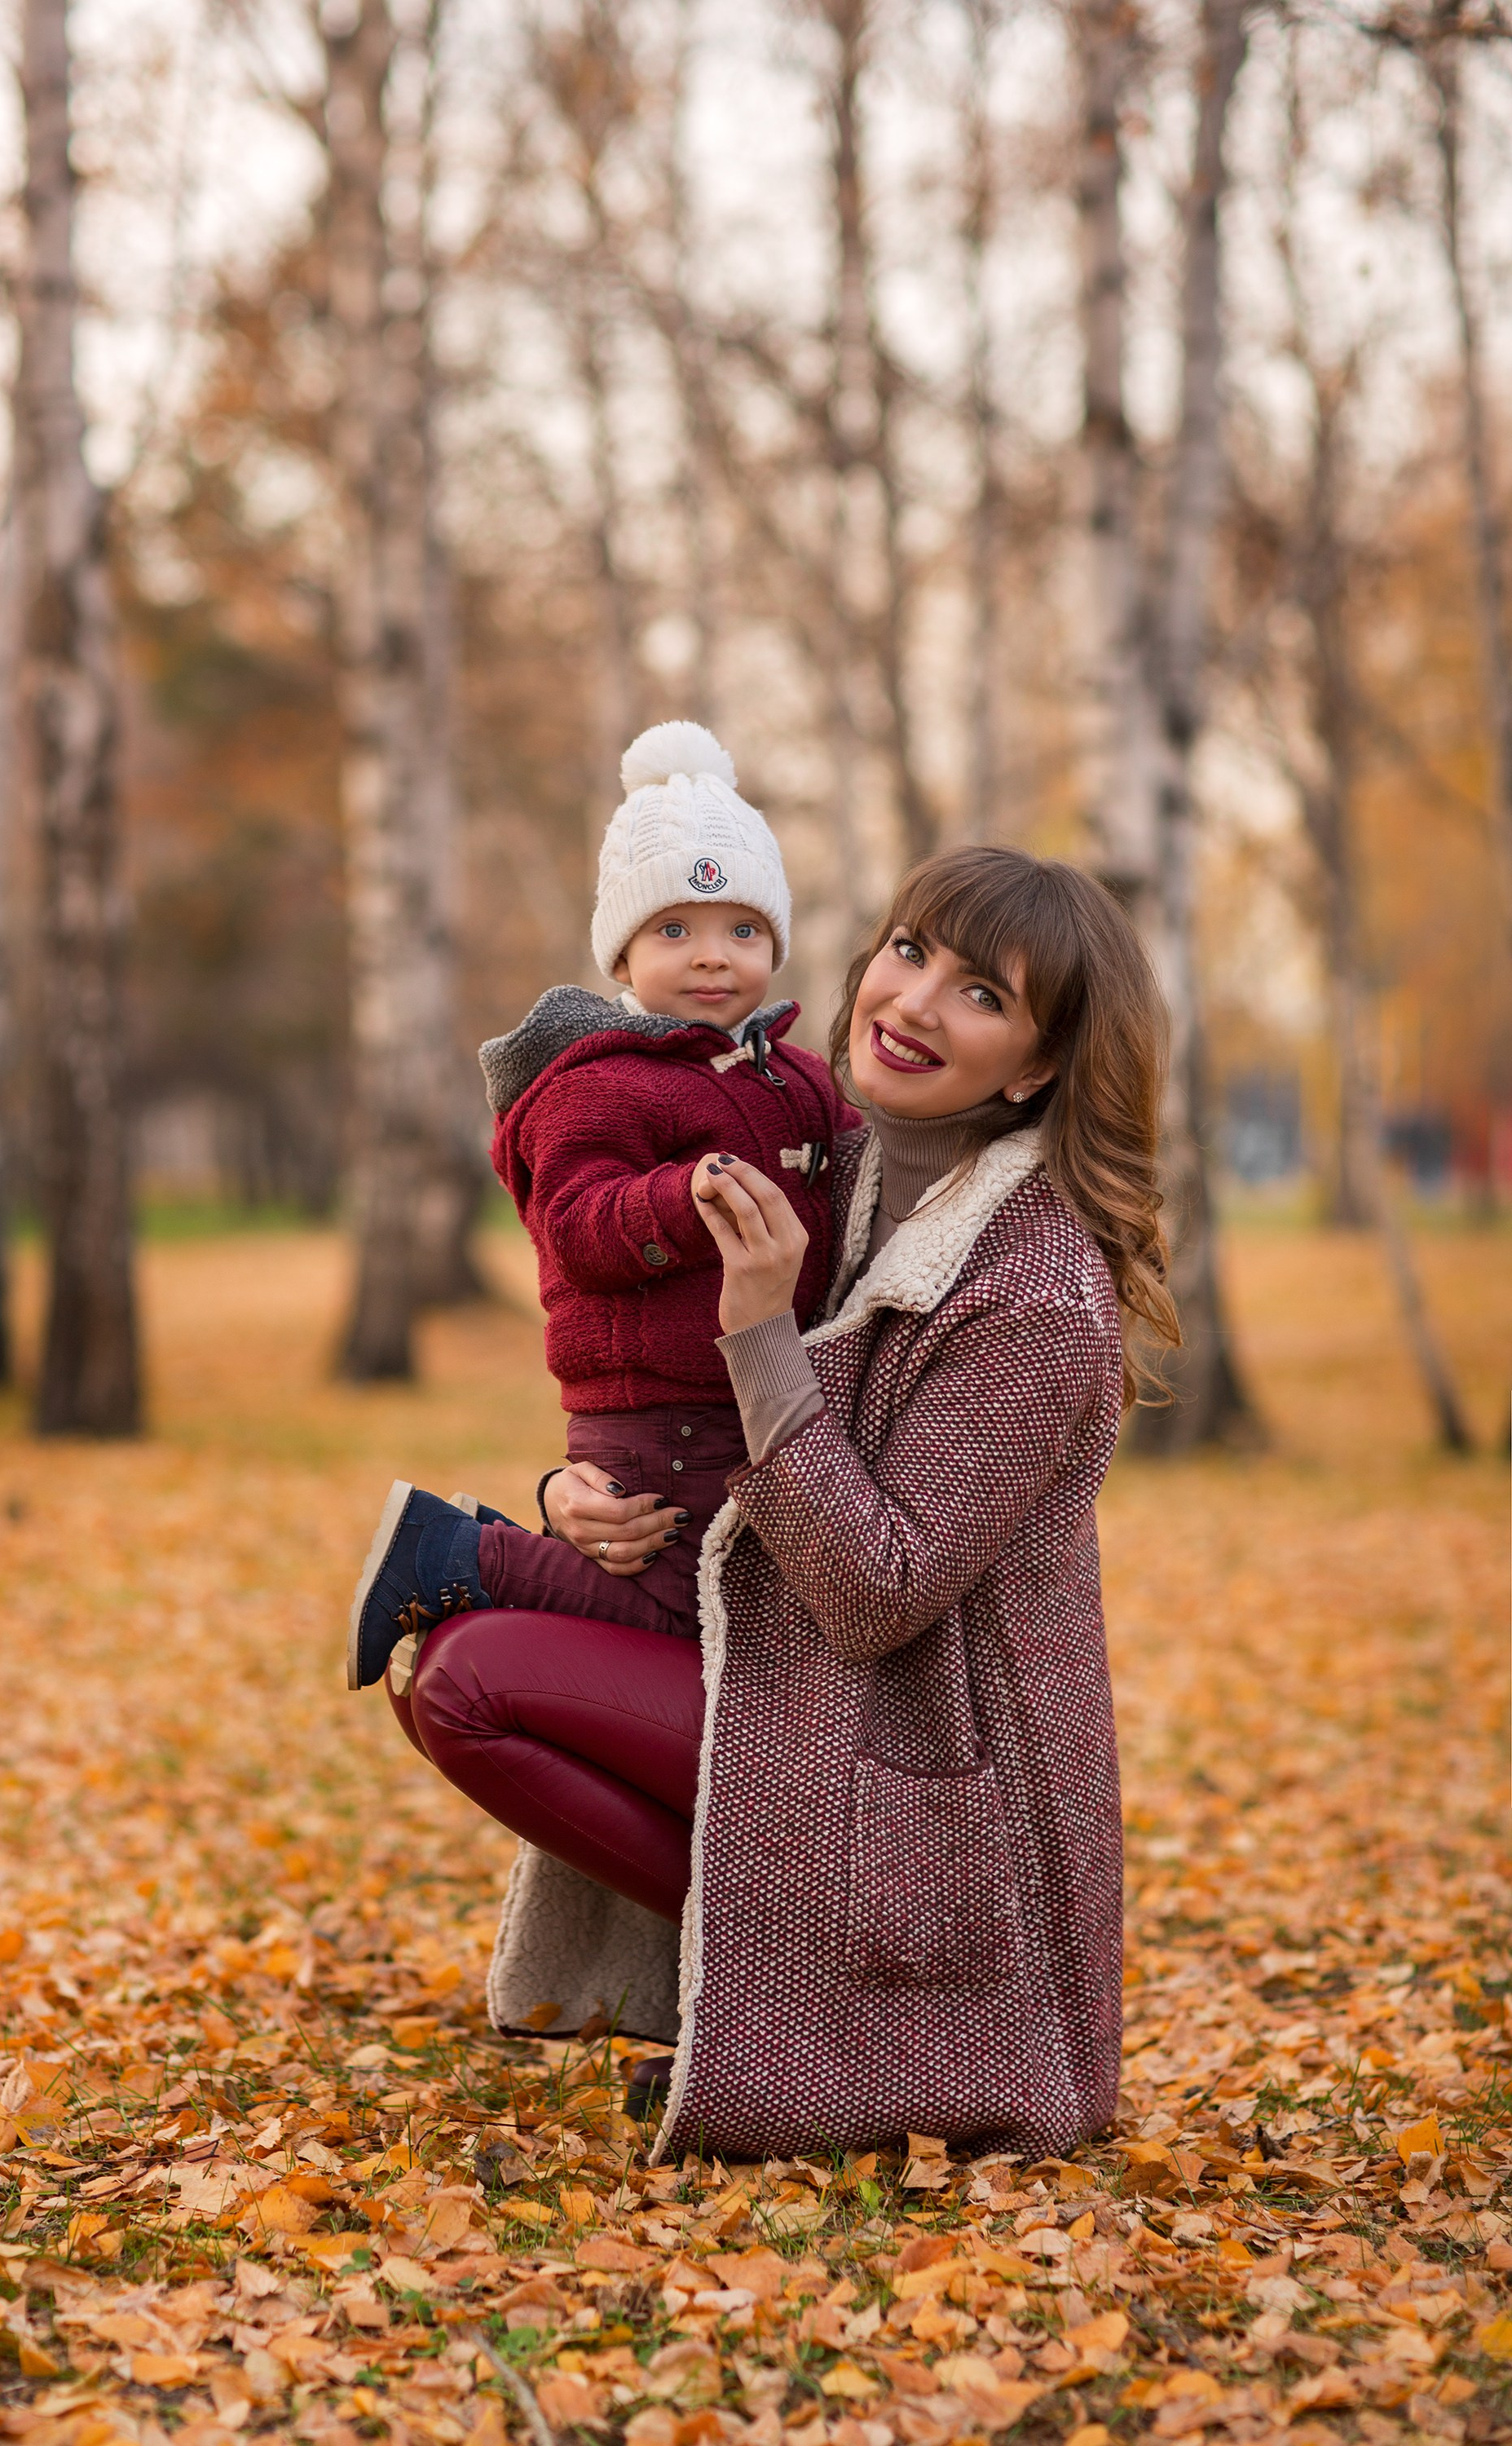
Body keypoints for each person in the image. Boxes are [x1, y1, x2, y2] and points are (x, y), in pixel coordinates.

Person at [392, 845, 1179, 2161]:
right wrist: (575, 1493)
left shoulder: (1038, 1291)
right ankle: (763, 1997)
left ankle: (852, 2020)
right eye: (911, 951)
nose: (914, 1002)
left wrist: (760, 1330)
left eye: (982, 995)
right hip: (787, 1683)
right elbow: (655, 1373)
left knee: (473, 1681)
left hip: (925, 1767)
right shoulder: (832, 1172)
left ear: (1036, 1065)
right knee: (438, 1665)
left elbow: (877, 1590)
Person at [346, 722, 857, 1692]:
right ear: (620, 957)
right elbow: (577, 1229)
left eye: (742, 931)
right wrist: (681, 1197)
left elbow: (864, 1171)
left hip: (749, 1399)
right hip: (653, 1411)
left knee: (714, 1612)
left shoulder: (797, 1079)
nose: (711, 958)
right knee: (680, 1610)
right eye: (674, 931)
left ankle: (469, 1550)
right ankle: (458, 1557)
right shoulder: (600, 1082)